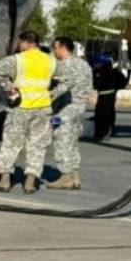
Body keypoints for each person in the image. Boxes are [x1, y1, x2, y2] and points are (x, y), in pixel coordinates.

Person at [0, 30, 55, 193]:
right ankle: (30, 182)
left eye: (20, 43)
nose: (19, 46)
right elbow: (61, 78)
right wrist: (52, 93)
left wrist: (8, 86)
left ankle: (5, 180)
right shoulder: (50, 60)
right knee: (37, 146)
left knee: (11, 143)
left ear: (26, 42)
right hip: (42, 107)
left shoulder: (18, 59)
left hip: (20, 106)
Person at [48, 37, 93, 190]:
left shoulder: (63, 66)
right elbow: (89, 87)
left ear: (63, 48)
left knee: (61, 141)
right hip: (78, 110)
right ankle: (75, 176)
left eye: (55, 48)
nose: (54, 51)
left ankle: (65, 177)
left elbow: (58, 89)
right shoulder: (84, 65)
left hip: (64, 111)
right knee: (72, 143)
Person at [91, 56, 125, 141]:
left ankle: (102, 133)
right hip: (111, 94)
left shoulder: (101, 71)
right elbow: (123, 81)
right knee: (110, 113)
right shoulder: (113, 71)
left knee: (102, 115)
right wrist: (115, 88)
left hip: (104, 95)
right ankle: (109, 131)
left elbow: (96, 85)